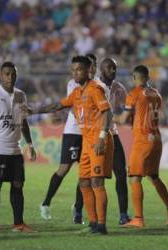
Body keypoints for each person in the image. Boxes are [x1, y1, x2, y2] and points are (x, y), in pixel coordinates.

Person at [23, 56, 113, 234]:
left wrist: (102, 137)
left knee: (96, 181)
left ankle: (102, 225)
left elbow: (107, 113)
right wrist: (34, 111)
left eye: (79, 69)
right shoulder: (77, 93)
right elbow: (58, 105)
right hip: (87, 142)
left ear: (88, 71)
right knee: (84, 182)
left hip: (98, 141)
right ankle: (93, 223)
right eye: (73, 70)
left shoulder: (95, 89)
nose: (75, 73)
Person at [115, 65, 168, 228]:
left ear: (134, 77)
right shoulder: (156, 94)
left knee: (134, 177)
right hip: (156, 138)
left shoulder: (134, 94)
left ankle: (138, 219)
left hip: (143, 140)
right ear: (148, 77)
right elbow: (144, 114)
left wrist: (107, 116)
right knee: (153, 176)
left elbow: (122, 120)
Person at [39, 53, 98, 223]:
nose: (91, 68)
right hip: (73, 131)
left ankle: (78, 209)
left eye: (93, 65)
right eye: (89, 65)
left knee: (85, 174)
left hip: (90, 134)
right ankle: (46, 203)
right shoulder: (74, 84)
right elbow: (73, 104)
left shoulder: (98, 85)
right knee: (64, 169)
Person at [0, 61, 37, 233]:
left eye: (13, 74)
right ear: (0, 75)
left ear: (16, 75)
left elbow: (23, 122)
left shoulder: (21, 95)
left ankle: (18, 223)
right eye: (6, 73)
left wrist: (30, 144)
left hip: (15, 150)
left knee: (18, 184)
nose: (10, 77)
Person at [96, 57, 130, 224]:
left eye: (115, 68)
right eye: (110, 67)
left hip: (113, 134)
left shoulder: (119, 88)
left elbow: (126, 111)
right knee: (92, 176)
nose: (113, 70)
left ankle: (123, 215)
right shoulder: (94, 87)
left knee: (122, 174)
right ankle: (80, 211)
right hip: (95, 137)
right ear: (101, 69)